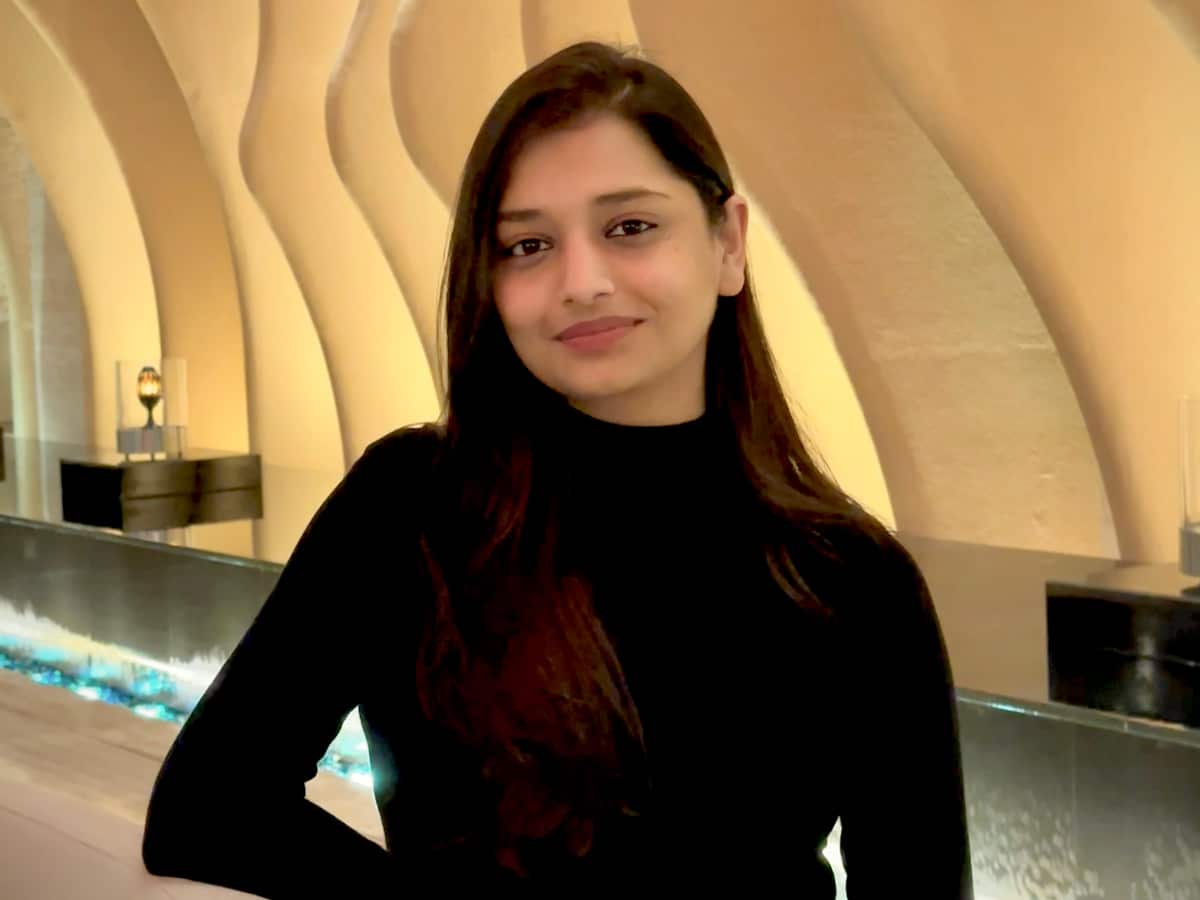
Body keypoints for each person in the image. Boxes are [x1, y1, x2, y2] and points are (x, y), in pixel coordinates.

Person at [142, 41, 973, 898]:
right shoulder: (414, 507)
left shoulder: (850, 577)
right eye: (528, 245)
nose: (581, 282)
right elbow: (209, 807)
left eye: (630, 228)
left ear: (728, 243)